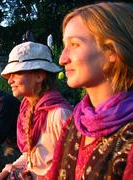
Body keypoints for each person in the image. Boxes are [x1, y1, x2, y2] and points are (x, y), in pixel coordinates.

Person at [46, 2, 133, 179]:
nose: (62, 59)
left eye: (74, 44)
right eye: (64, 45)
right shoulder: (76, 122)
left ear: (112, 51)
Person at [0, 41, 72, 179]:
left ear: (39, 76)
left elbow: (70, 166)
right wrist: (3, 173)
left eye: (16, 73)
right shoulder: (27, 109)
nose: (9, 81)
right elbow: (32, 156)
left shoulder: (59, 115)